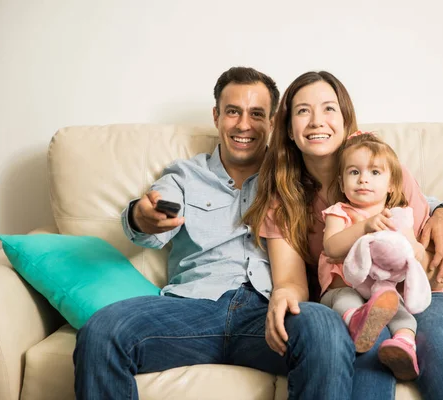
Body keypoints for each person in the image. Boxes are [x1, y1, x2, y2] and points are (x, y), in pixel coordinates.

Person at [72, 67, 356, 400]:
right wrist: (142, 216)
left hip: (267, 312)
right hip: (193, 309)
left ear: (273, 121)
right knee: (102, 330)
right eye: (233, 112)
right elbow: (149, 217)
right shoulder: (185, 174)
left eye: (257, 114)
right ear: (216, 116)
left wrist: (437, 211)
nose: (244, 124)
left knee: (324, 326)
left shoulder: (293, 174)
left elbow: (386, 196)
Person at [245, 70, 443, 399]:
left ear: (346, 119)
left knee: (434, 344)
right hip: (359, 304)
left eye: (329, 108)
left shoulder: (382, 168)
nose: (317, 121)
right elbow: (292, 280)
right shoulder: (283, 197)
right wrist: (281, 296)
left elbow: (430, 266)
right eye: (303, 111)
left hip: (431, 298)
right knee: (365, 347)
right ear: (288, 128)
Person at [320, 131, 434, 381]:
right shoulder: (339, 212)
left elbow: (412, 248)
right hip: (343, 287)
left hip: (382, 292)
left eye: (374, 173)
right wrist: (364, 226)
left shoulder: (398, 216)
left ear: (392, 184)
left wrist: (415, 250)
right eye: (354, 172)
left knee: (402, 312)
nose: (363, 180)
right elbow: (331, 247)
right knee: (345, 300)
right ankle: (357, 320)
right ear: (341, 183)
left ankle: (404, 345)